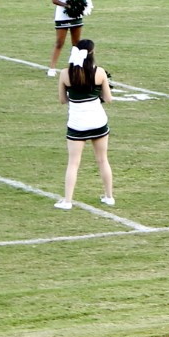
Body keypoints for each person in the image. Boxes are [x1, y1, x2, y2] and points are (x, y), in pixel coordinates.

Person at [55, 39, 114, 209]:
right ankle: (109, 196)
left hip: (77, 124)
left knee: (73, 162)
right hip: (98, 121)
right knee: (103, 160)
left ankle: (67, 201)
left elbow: (62, 100)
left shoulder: (65, 74)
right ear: (92, 54)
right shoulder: (100, 72)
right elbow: (108, 99)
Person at [48, 0, 88, 77]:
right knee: (60, 42)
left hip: (76, 15)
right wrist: (67, 6)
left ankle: (76, 67)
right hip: (62, 14)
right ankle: (52, 68)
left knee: (76, 43)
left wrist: (79, 5)